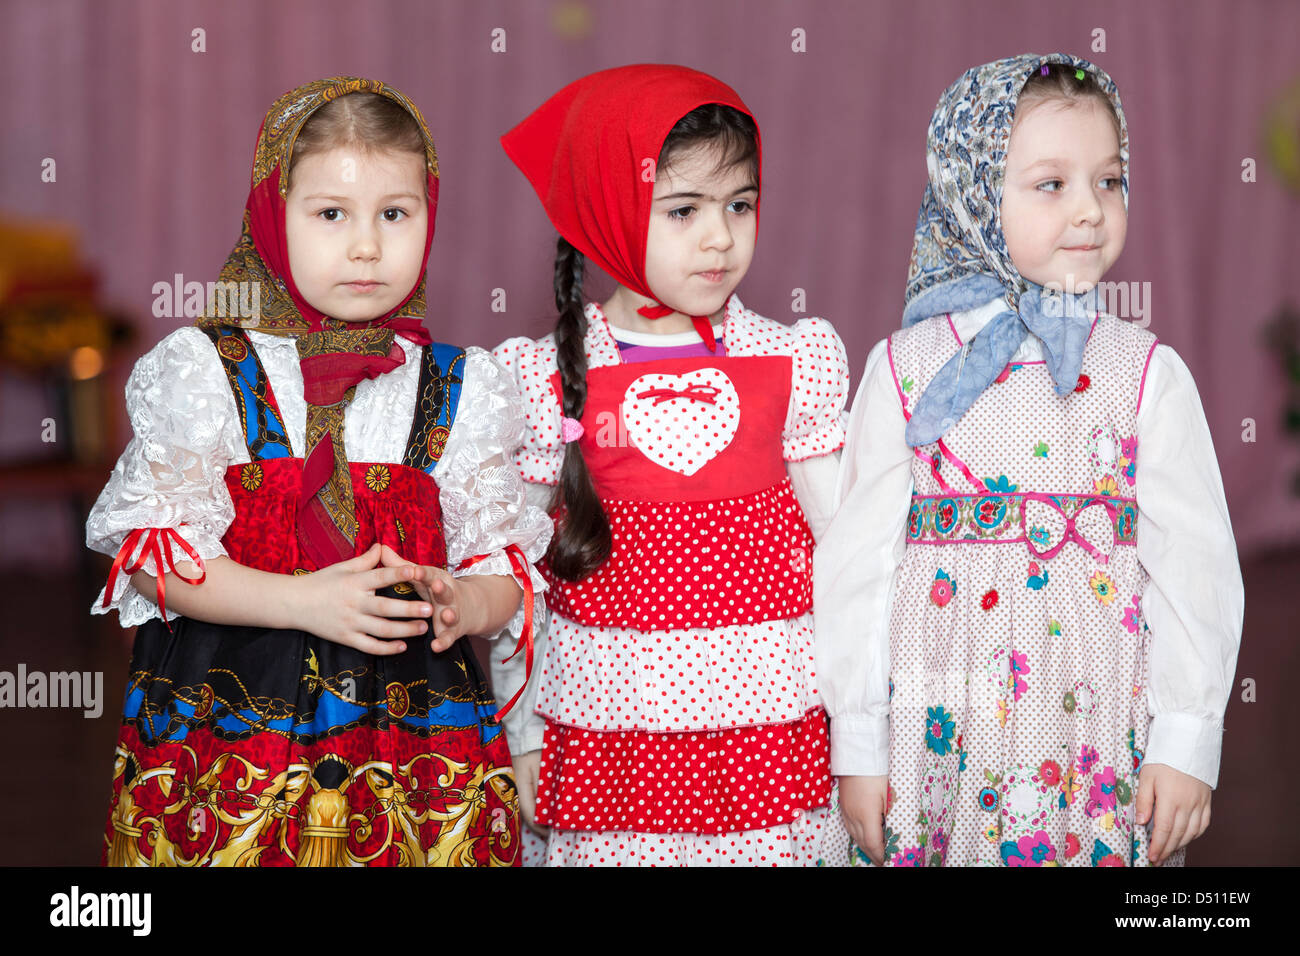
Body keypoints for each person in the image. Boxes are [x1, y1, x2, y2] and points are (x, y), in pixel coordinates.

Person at [86, 76, 551, 867]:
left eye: (395, 215)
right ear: (272, 213)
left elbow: (505, 563)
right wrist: (301, 601)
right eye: (331, 214)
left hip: (415, 748)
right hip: (230, 732)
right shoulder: (210, 373)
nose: (367, 246)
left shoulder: (462, 387)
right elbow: (152, 560)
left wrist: (464, 600)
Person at [815, 54, 1244, 867]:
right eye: (1052, 184)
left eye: (1110, 181)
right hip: (935, 730)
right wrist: (860, 741)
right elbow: (857, 567)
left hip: (1093, 732)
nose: (1090, 209)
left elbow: (1196, 564)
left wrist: (1187, 737)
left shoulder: (1143, 371)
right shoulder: (905, 367)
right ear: (976, 194)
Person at [490, 64, 850, 866]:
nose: (720, 236)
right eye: (683, 209)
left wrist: (863, 734)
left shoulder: (793, 361)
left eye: (740, 204)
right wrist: (522, 737)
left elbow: (847, 558)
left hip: (775, 756)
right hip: (608, 760)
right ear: (606, 211)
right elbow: (516, 581)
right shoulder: (547, 374)